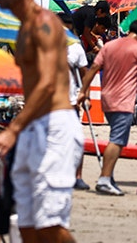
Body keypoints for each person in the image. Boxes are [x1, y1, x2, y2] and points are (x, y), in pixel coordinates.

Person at [0, 0, 84, 243]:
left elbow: (47, 82)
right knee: (26, 224)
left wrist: (13, 130)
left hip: (54, 126)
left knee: (49, 224)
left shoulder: (44, 24)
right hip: (34, 127)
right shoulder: (24, 27)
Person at [77, 18, 137, 196]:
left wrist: (83, 91)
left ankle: (108, 177)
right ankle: (104, 179)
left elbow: (93, 68)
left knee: (116, 137)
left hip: (106, 98)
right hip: (123, 100)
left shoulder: (110, 45)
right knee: (117, 140)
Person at [57, 13, 91, 191]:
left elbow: (85, 73)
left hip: (69, 99)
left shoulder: (76, 47)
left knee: (75, 139)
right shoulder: (44, 43)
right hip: (48, 100)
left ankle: (77, 176)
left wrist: (85, 94)